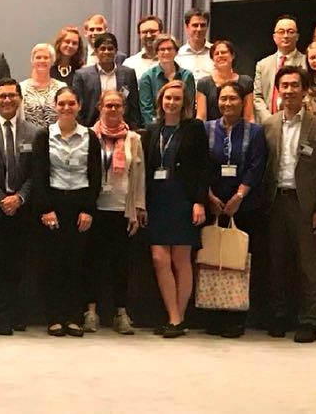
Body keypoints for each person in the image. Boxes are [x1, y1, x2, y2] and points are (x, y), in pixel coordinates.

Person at [263, 66, 316, 343]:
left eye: (295, 85)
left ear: (304, 91)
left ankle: (309, 320)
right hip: (275, 200)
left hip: (304, 204)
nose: (290, 90)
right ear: (278, 90)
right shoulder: (268, 124)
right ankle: (279, 316)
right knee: (276, 262)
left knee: (307, 266)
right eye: (285, 85)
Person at [201, 81, 267, 338]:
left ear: (243, 102)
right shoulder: (206, 129)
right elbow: (201, 165)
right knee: (212, 260)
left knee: (239, 262)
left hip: (245, 205)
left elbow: (256, 165)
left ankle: (236, 318)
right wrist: (208, 195)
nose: (227, 103)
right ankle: (212, 315)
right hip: (213, 203)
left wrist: (240, 195)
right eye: (223, 99)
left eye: (233, 99)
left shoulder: (255, 131)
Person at [33, 87, 100, 337]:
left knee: (76, 264)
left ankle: (73, 317)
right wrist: (45, 209)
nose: (66, 108)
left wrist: (89, 209)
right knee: (53, 264)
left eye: (71, 103)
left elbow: (95, 175)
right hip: (53, 205)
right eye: (61, 103)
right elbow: (38, 175)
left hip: (79, 206)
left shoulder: (90, 137)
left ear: (79, 106)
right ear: (55, 106)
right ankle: (54, 317)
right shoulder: (44, 136)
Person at [144, 80, 209, 337]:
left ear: (184, 103)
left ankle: (176, 319)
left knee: (182, 259)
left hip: (184, 200)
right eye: (168, 98)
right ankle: (174, 315)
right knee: (160, 259)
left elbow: (204, 167)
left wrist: (199, 201)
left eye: (177, 99)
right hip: (157, 201)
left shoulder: (194, 128)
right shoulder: (152, 130)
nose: (172, 102)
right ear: (161, 101)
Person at [84, 90, 147, 335]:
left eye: (117, 106)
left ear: (123, 109)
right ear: (100, 107)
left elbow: (139, 176)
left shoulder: (133, 139)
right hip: (96, 208)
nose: (112, 110)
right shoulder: (89, 136)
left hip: (122, 209)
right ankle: (91, 311)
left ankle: (121, 313)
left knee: (121, 265)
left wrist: (138, 208)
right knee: (93, 263)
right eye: (108, 105)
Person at [0, 78, 38, 334]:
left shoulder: (34, 132)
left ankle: (15, 311)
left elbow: (36, 172)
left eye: (12, 96)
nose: (7, 100)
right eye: (2, 96)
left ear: (19, 99)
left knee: (18, 263)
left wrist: (20, 198)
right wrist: (0, 198)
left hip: (22, 208)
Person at [71, 33, 141, 129]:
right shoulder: (82, 75)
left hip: (123, 129)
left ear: (116, 51)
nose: (107, 52)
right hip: (91, 128)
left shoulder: (128, 74)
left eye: (110, 48)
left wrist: (134, 128)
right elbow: (78, 107)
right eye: (103, 49)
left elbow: (134, 106)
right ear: (96, 51)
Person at [254, 15, 306, 122]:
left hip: (298, 122)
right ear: (274, 37)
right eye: (281, 32)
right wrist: (270, 120)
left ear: (297, 36)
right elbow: (257, 97)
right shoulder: (263, 65)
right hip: (268, 123)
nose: (286, 36)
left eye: (290, 31)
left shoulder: (306, 62)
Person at [138, 34, 196, 127]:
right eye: (162, 49)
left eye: (169, 49)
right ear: (157, 53)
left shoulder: (187, 76)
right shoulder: (147, 77)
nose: (166, 52)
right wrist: (157, 128)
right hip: (155, 127)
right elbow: (146, 110)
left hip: (182, 127)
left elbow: (189, 107)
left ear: (176, 52)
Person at [195, 40, 254, 121]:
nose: (220, 55)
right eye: (216, 54)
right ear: (212, 59)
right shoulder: (204, 83)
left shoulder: (246, 82)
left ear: (232, 56)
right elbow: (201, 117)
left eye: (224, 52)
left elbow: (249, 117)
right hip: (211, 132)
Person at [19, 43, 67, 128]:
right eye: (38, 57)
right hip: (29, 139)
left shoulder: (61, 87)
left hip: (55, 138)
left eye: (46, 57)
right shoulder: (21, 88)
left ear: (52, 61)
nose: (42, 60)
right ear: (32, 60)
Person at [176, 9, 214, 82]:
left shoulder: (216, 52)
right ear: (187, 27)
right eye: (195, 25)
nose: (199, 29)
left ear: (207, 27)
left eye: (203, 25)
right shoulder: (177, 55)